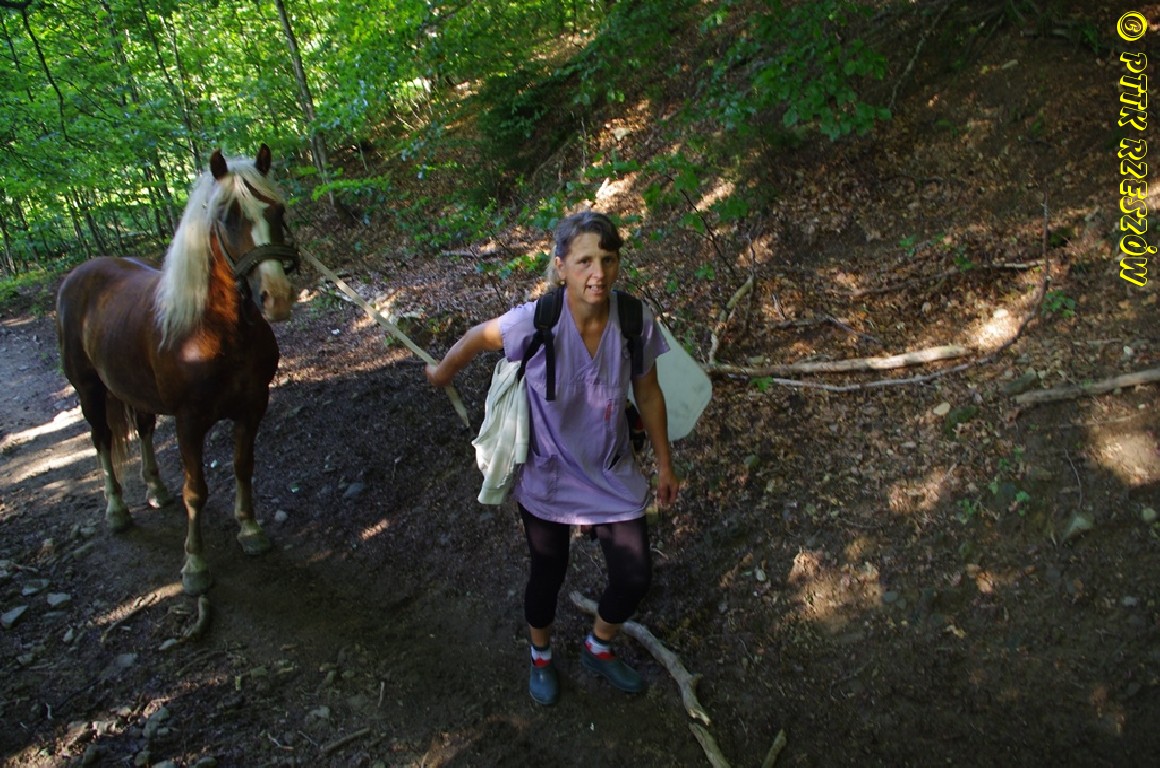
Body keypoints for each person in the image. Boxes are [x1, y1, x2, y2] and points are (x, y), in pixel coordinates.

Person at [426, 210, 680, 706]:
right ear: (560, 266)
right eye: (585, 261)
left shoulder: (634, 320)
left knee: (634, 576)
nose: (598, 273)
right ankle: (540, 656)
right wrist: (441, 374)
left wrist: (666, 464)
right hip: (549, 473)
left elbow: (649, 393)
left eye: (608, 259)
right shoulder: (535, 320)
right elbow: (477, 337)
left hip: (611, 470)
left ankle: (598, 646)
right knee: (548, 573)